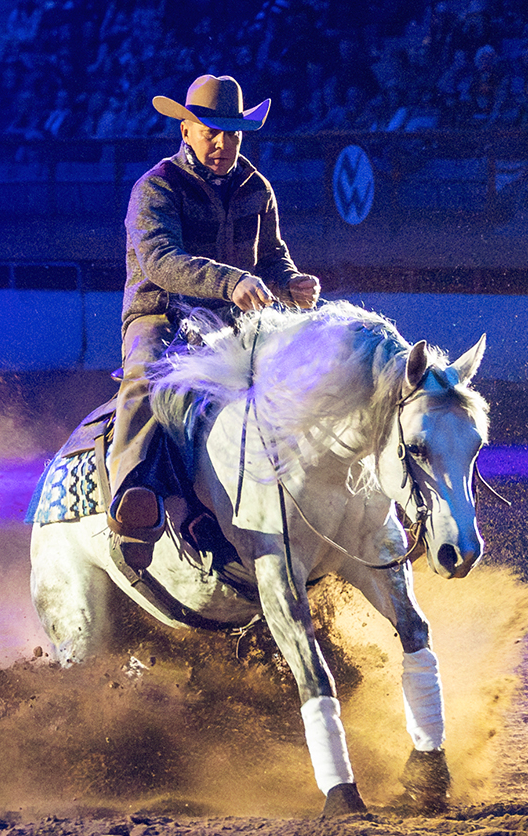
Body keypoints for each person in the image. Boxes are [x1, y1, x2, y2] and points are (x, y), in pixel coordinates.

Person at [109, 73, 319, 572]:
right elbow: (160, 261)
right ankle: (133, 496)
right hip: (161, 314)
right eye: (211, 133)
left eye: (232, 134)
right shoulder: (156, 187)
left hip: (233, 322)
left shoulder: (256, 188)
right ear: (186, 131)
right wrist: (231, 282)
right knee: (148, 372)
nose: (223, 144)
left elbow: (272, 256)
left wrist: (289, 282)